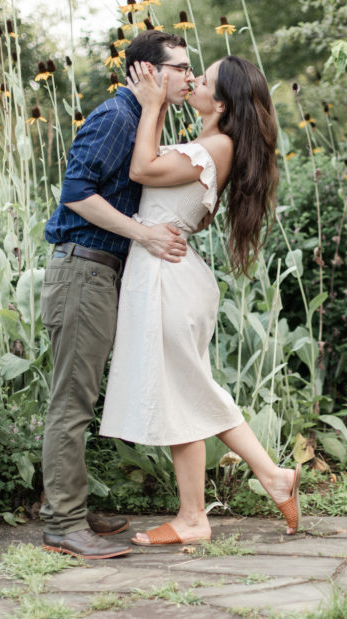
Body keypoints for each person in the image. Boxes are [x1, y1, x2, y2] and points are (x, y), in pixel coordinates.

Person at [98, 56, 301, 546]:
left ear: (223, 102)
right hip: (168, 274)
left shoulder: (214, 147)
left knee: (189, 391)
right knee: (182, 393)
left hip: (168, 280)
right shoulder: (213, 147)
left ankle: (244, 490)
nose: (193, 81)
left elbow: (142, 168)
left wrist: (150, 105)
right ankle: (209, 508)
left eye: (203, 80)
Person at [39, 31, 195, 559]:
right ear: (149, 71)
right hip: (82, 271)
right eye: (180, 67)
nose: (189, 77)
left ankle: (69, 509)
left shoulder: (140, 118)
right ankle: (64, 523)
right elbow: (76, 194)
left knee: (80, 397)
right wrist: (145, 233)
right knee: (72, 401)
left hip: (98, 276)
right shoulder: (116, 118)